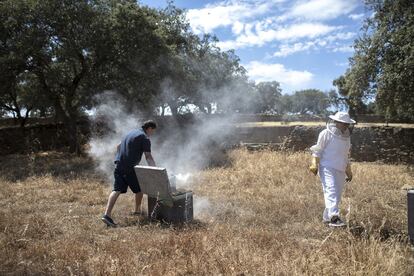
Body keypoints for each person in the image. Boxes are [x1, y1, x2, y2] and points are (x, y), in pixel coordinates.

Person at [101, 120, 157, 227]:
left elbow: (118, 146)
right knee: (140, 189)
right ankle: (137, 211)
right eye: (152, 131)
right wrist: (155, 171)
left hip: (119, 164)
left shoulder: (130, 133)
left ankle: (106, 215)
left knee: (116, 190)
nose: (152, 134)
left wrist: (122, 157)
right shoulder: (144, 138)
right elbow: (148, 157)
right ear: (149, 128)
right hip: (129, 168)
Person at [309, 112, 355, 227]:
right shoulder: (325, 133)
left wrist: (348, 171)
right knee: (332, 190)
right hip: (327, 167)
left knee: (336, 195)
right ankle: (334, 217)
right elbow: (317, 150)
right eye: (344, 123)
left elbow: (345, 155)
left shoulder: (347, 138)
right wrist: (314, 163)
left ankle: (326, 218)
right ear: (337, 122)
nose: (346, 126)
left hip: (340, 168)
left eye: (347, 124)